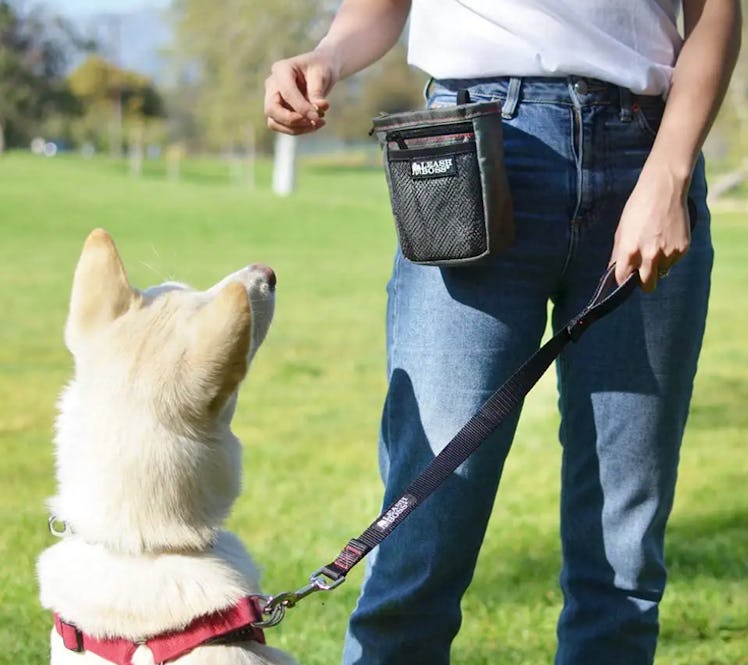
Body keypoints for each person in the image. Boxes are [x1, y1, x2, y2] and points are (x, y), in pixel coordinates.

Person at [264, 1, 742, 664]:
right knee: (419, 545)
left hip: (647, 158)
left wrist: (669, 172)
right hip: (475, 151)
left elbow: (717, 10)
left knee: (622, 566)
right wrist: (326, 55)